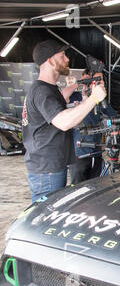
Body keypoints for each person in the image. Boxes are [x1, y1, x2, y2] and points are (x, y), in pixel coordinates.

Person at [22, 39, 107, 203]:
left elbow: (63, 116)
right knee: (45, 217)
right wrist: (94, 98)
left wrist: (84, 101)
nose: (67, 59)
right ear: (49, 60)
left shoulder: (48, 89)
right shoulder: (42, 91)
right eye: (62, 55)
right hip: (46, 170)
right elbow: (63, 122)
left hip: (50, 167)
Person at [68, 70, 120, 184]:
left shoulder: (101, 101)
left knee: (97, 188)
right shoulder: (75, 97)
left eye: (102, 79)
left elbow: (114, 118)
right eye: (98, 80)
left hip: (96, 152)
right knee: (77, 190)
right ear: (90, 81)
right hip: (79, 154)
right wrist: (75, 85)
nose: (102, 82)